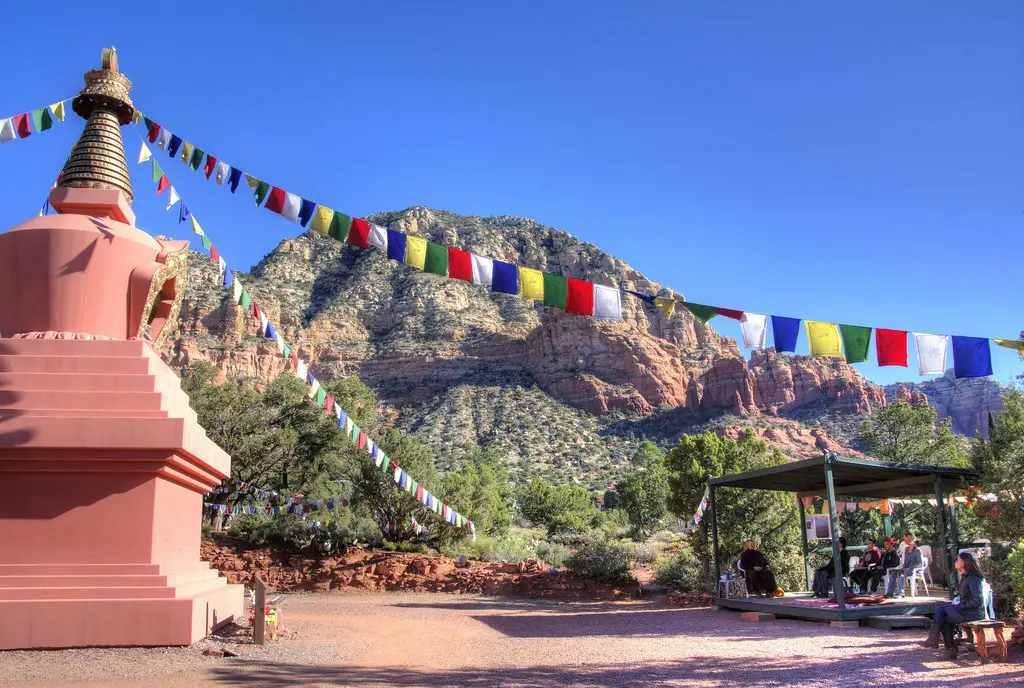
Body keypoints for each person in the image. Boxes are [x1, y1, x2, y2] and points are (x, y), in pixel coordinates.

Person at [920, 551, 986, 659]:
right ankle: (948, 649)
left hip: (973, 613)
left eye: (958, 560)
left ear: (964, 562)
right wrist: (958, 602)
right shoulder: (965, 577)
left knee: (942, 610)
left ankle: (935, 640)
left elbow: (977, 600)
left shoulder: (973, 579)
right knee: (943, 614)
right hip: (965, 610)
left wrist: (960, 605)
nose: (956, 562)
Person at [885, 533, 923, 598]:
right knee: (893, 572)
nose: (906, 541)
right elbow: (905, 562)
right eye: (905, 539)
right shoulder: (906, 549)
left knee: (900, 573)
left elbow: (920, 564)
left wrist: (910, 568)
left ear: (912, 539)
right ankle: (890, 592)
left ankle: (901, 593)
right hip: (905, 569)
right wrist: (902, 568)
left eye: (908, 539)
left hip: (913, 570)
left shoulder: (917, 550)